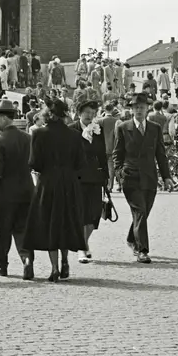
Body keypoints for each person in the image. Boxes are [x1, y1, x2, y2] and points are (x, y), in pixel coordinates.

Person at [23, 98, 86, 281]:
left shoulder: (39, 134)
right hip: (69, 182)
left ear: (47, 115)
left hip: (48, 181)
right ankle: (65, 260)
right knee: (65, 222)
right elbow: (81, 162)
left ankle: (54, 268)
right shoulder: (74, 134)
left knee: (50, 222)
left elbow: (34, 162)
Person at [111, 91, 171, 264]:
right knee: (139, 211)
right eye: (136, 107)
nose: (138, 110)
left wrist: (166, 177)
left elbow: (161, 154)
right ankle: (142, 250)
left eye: (142, 107)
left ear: (147, 109)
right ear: (131, 109)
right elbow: (117, 154)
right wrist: (119, 173)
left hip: (150, 177)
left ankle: (132, 238)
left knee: (144, 212)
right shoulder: (123, 127)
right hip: (130, 177)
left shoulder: (155, 128)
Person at [0, 99, 35, 279]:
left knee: (2, 231)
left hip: (4, 194)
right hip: (27, 191)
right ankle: (27, 259)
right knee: (22, 230)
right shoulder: (28, 138)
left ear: (4, 118)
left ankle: (0, 264)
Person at [74, 90, 109, 264]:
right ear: (79, 113)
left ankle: (84, 243)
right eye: (86, 113)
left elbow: (102, 153)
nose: (89, 116)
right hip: (78, 178)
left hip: (95, 177)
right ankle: (82, 247)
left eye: (92, 113)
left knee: (94, 214)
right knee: (81, 214)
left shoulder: (97, 130)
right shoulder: (72, 129)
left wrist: (107, 176)